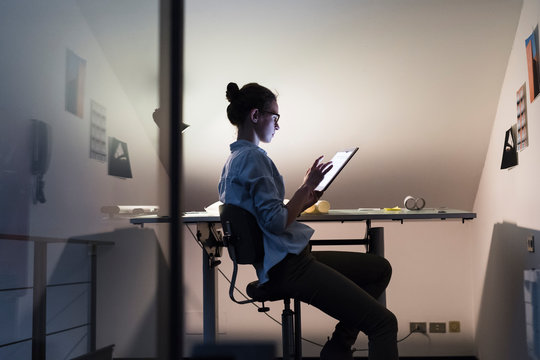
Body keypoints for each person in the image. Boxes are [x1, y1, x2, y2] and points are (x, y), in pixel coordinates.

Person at [218, 82, 398, 360]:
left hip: (284, 261)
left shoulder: (234, 159)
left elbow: (267, 219)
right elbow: (277, 223)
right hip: (288, 267)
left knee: (378, 269)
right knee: (384, 324)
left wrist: (305, 198)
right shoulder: (254, 160)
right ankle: (338, 350)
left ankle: (337, 349)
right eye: (274, 117)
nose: (277, 125)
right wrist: (305, 189)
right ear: (255, 116)